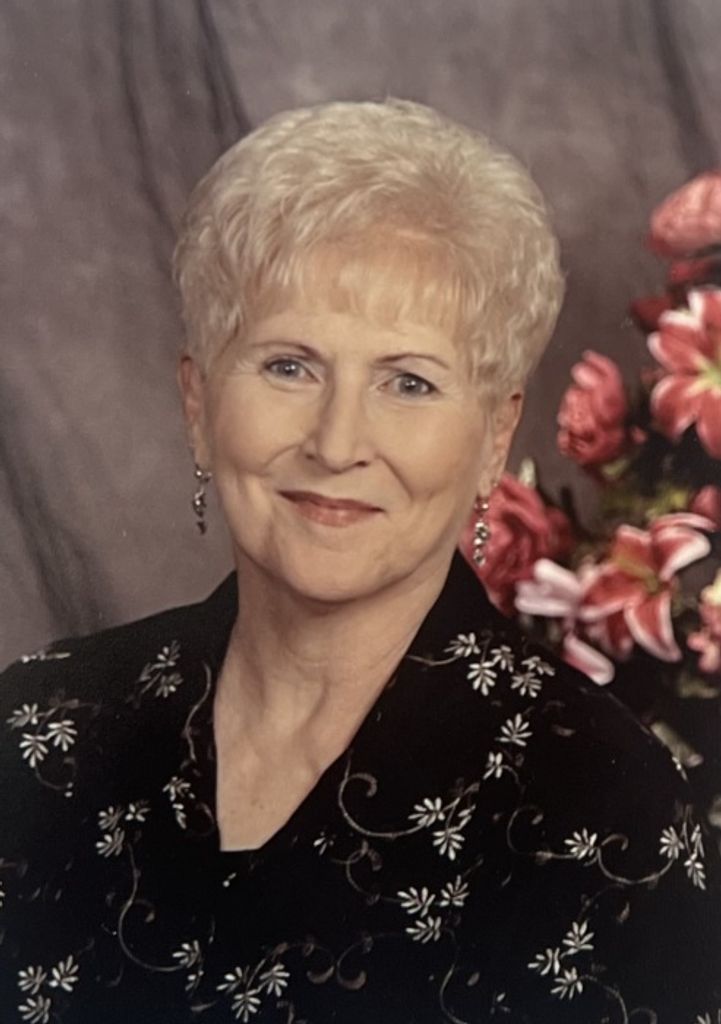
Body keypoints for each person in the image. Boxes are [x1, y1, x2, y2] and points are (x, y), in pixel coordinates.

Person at [0, 99, 718, 1024]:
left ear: (494, 436)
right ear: (198, 404)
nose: (338, 442)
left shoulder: (604, 809)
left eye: (408, 382)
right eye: (288, 367)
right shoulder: (39, 732)